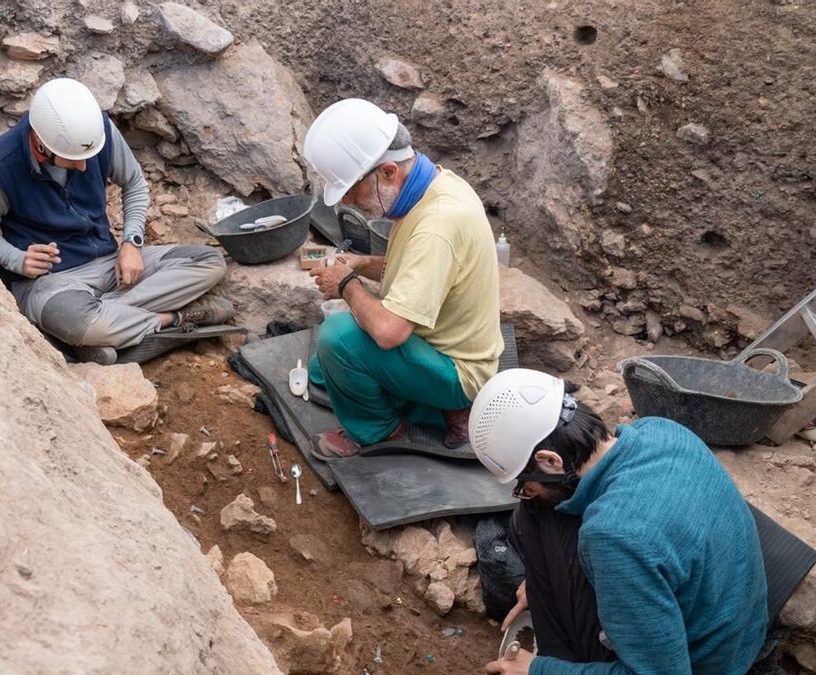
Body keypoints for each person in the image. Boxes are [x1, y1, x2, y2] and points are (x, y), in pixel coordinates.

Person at [469, 368, 769, 674]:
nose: (525, 491)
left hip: (704, 663)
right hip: (736, 629)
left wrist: (539, 671)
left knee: (540, 509)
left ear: (550, 461)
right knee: (540, 508)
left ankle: (562, 659)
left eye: (524, 483)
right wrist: (539, 585)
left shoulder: (614, 535)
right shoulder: (661, 431)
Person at [0, 78, 232, 365]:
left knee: (209, 262)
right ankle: (171, 320)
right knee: (78, 321)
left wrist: (131, 242)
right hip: (51, 283)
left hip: (109, 261)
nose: (84, 166)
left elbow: (135, 183)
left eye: (88, 156)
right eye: (72, 159)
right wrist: (17, 259)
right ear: (41, 146)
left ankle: (100, 332)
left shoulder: (97, 131)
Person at [301, 98, 503, 458]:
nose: (348, 201)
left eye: (351, 189)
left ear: (388, 172)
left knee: (337, 339)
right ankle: (430, 405)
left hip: (456, 371)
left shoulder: (436, 226)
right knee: (321, 370)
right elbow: (421, 272)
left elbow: (389, 332)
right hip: (436, 346)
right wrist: (363, 263)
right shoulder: (434, 187)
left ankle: (380, 430)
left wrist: (346, 285)